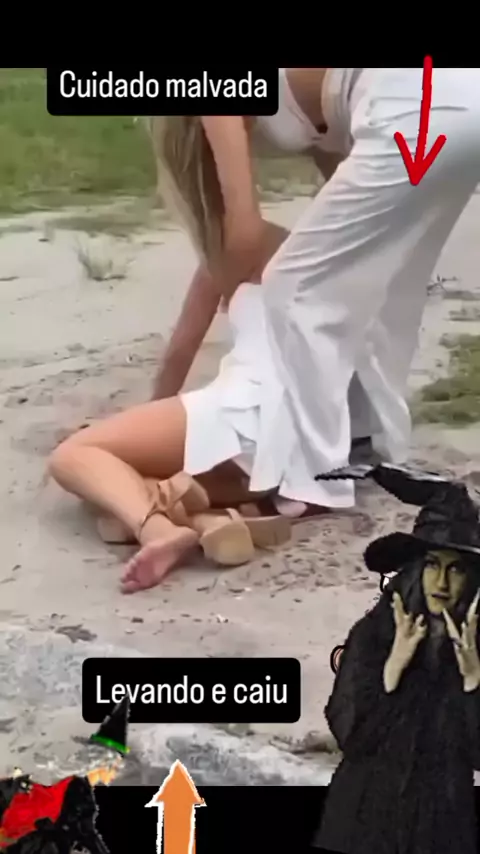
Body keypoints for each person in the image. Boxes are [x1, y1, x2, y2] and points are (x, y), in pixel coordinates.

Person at [148, 68, 480, 513]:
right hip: (455, 98)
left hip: (413, 106)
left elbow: (244, 231)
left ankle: (317, 483)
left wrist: (235, 290)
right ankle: (366, 436)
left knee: (292, 287)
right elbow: (342, 187)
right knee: (384, 287)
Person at [312, 464, 480, 854]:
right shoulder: (375, 634)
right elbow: (350, 734)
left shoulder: (477, 648)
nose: (441, 583)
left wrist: (473, 681)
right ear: (417, 569)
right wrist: (392, 668)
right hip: (362, 819)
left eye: (455, 569)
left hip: (441, 825)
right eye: (432, 565)